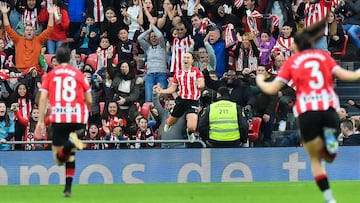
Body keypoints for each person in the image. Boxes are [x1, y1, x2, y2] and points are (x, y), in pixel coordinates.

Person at [255, 19, 360, 203]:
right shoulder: (323, 57)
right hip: (327, 109)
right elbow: (348, 75)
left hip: (307, 114)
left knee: (315, 161)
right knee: (331, 154)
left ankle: (329, 199)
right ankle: (330, 147)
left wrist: (259, 80)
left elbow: (272, 90)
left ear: (296, 46)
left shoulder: (292, 62)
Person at [34, 43, 92, 197]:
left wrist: (40, 120)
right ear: (70, 58)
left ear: (57, 60)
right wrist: (84, 112)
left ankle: (69, 145)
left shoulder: (50, 75)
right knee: (70, 155)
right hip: (78, 118)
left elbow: (43, 98)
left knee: (59, 159)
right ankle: (68, 188)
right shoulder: (79, 74)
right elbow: (90, 99)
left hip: (59, 117)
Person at [155, 52, 205, 142]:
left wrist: (199, 84)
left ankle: (190, 133)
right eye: (184, 57)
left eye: (188, 57)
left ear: (192, 60)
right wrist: (162, 91)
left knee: (192, 126)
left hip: (193, 101)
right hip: (181, 100)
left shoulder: (196, 71)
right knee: (172, 121)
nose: (186, 59)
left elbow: (202, 83)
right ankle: (168, 124)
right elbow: (172, 88)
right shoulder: (178, 73)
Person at [1, 2, 56, 72]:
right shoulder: (17, 39)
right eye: (27, 30)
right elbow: (8, 28)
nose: (29, 31)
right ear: (24, 32)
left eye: (31, 30)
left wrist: (51, 14)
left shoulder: (39, 39)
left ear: (34, 32)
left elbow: (49, 29)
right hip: (21, 72)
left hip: (35, 71)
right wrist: (4, 14)